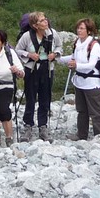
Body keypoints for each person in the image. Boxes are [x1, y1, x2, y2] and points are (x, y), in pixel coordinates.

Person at [15, 12, 62, 141]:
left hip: (47, 69)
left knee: (45, 98)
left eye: (45, 19)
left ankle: (43, 126)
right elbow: (17, 50)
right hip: (31, 69)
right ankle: (28, 126)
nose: (46, 21)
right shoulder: (27, 36)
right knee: (30, 98)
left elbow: (59, 46)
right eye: (42, 20)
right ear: (35, 25)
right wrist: (29, 55)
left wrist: (55, 54)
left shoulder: (52, 34)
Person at [64, 18, 100, 140]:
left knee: (96, 112)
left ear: (89, 31)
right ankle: (82, 135)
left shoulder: (94, 45)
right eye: (78, 28)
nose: (79, 30)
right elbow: (73, 57)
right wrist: (57, 58)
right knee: (81, 110)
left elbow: (91, 64)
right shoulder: (77, 43)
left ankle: (99, 137)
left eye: (82, 28)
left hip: (93, 83)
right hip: (80, 82)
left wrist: (76, 65)